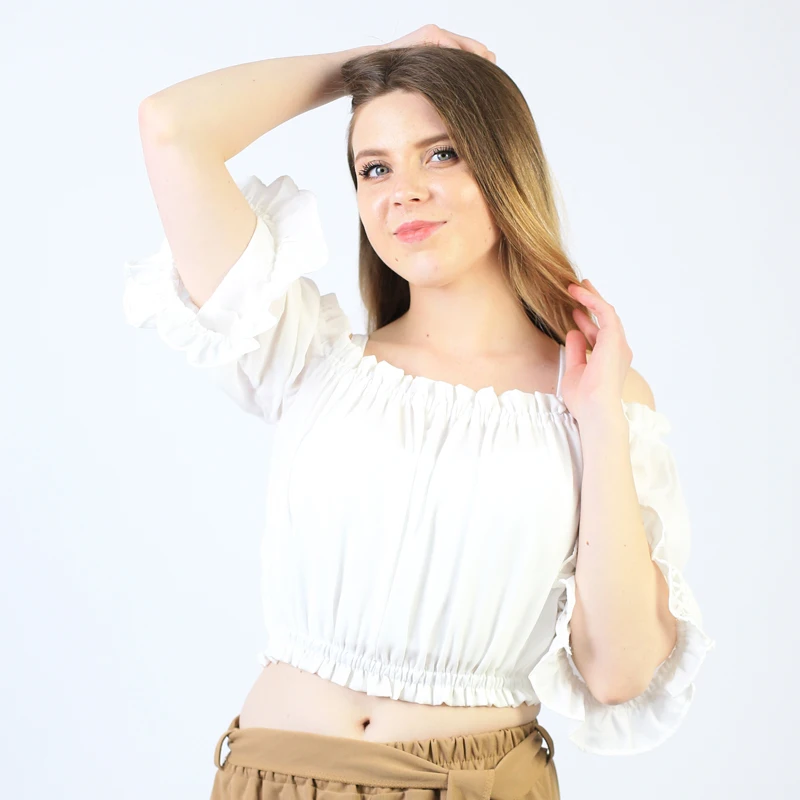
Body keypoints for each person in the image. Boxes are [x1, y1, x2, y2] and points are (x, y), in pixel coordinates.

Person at [123, 24, 715, 800]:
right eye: (374, 167)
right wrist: (368, 65)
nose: (402, 190)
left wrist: (599, 418)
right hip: (274, 775)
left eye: (441, 154)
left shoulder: (593, 398)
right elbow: (172, 127)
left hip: (475, 783)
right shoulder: (306, 357)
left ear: (505, 166)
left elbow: (619, 673)